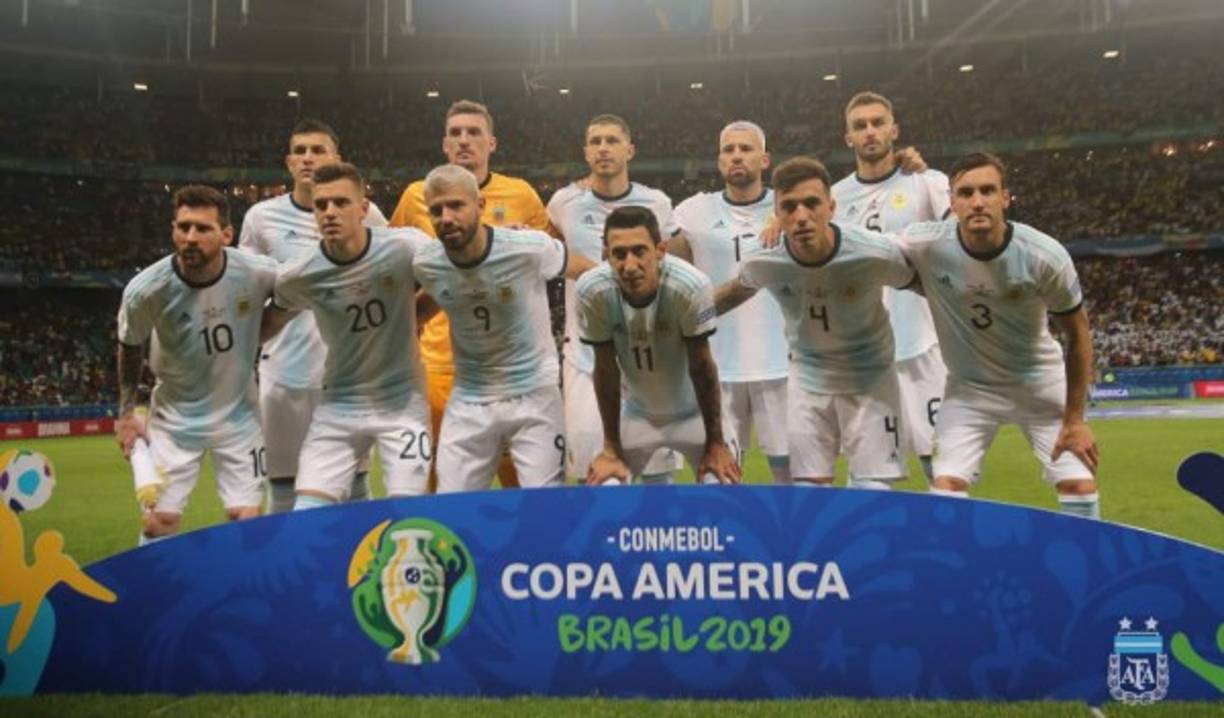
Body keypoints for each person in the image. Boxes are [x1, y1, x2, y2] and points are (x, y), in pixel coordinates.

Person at [896, 152, 1100, 517]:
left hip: (1039, 384)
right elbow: (866, 248)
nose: (977, 201)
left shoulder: (1044, 255)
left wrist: (1074, 420)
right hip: (970, 390)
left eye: (988, 190)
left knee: (1079, 486)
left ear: (1005, 198)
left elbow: (1079, 334)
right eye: (966, 192)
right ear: (952, 202)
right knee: (944, 489)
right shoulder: (924, 244)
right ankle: (953, 572)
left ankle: (1084, 574)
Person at [715, 157, 914, 488]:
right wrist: (679, 318)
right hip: (808, 383)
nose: (801, 216)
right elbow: (731, 294)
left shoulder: (872, 253)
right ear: (776, 214)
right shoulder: (764, 259)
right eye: (789, 207)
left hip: (871, 381)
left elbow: (922, 283)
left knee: (871, 494)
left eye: (811, 204)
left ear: (831, 206)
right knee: (809, 496)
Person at [389, 100, 552, 490]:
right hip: (438, 367)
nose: (464, 140)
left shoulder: (522, 195)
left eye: (474, 132)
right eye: (456, 133)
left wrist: (520, 239)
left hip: (513, 370)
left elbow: (548, 258)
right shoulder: (416, 196)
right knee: (440, 489)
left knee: (528, 490)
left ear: (491, 143)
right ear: (445, 144)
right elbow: (394, 269)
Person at [412, 165, 596, 492]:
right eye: (436, 210)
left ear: (480, 205)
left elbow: (587, 271)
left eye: (456, 205)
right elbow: (432, 299)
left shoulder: (527, 247)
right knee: (450, 508)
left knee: (543, 505)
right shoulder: (428, 264)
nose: (446, 217)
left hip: (534, 394)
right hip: (469, 399)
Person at [262, 163, 433, 509]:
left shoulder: (405, 247)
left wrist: (412, 315)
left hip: (403, 402)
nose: (330, 213)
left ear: (364, 209)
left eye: (341, 203)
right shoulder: (300, 275)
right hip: (339, 404)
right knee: (308, 515)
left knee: (408, 513)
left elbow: (451, 281)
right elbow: (267, 325)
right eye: (321, 205)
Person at [238, 119, 387, 513]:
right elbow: (248, 296)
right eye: (300, 151)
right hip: (282, 371)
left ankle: (356, 570)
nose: (308, 158)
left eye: (318, 150)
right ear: (288, 162)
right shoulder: (260, 219)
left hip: (348, 374)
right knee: (283, 489)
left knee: (354, 486)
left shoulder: (369, 217)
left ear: (337, 158)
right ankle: (287, 573)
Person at [115, 185, 278, 543]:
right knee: (158, 523)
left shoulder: (259, 272)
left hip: (239, 418)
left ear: (226, 235)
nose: (190, 237)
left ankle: (242, 591)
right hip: (174, 420)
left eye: (202, 228)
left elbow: (298, 294)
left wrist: (262, 331)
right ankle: (157, 597)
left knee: (247, 521)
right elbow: (129, 346)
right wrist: (127, 414)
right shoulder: (146, 290)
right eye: (183, 227)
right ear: (173, 229)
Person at [549, 114, 682, 483]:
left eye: (611, 140)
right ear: (585, 152)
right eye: (595, 142)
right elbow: (549, 252)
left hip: (649, 358)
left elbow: (680, 259)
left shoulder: (656, 202)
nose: (603, 148)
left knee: (657, 479)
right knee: (590, 473)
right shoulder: (564, 202)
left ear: (630, 150)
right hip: (585, 357)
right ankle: (593, 542)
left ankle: (659, 540)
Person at [832, 92, 952, 486]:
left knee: (944, 469)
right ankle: (868, 549)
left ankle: (946, 547)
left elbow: (959, 239)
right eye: (860, 125)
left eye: (877, 122)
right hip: (863, 353)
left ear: (894, 130)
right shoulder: (833, 198)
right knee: (868, 473)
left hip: (922, 345)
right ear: (847, 137)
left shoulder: (926, 182)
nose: (870, 131)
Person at [579, 206, 740, 486]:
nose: (629, 266)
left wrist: (716, 442)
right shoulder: (592, 290)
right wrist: (611, 448)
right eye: (619, 254)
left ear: (660, 250)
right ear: (606, 254)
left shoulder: (691, 286)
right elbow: (604, 368)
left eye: (639, 251)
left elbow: (701, 365)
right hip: (637, 415)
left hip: (696, 415)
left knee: (721, 485)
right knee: (606, 488)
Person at [669, 120, 791, 484]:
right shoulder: (691, 212)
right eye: (728, 150)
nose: (737, 156)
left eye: (746, 148)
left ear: (765, 159)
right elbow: (673, 276)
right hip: (715, 367)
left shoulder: (789, 206)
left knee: (794, 479)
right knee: (718, 478)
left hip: (781, 364)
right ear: (719, 161)